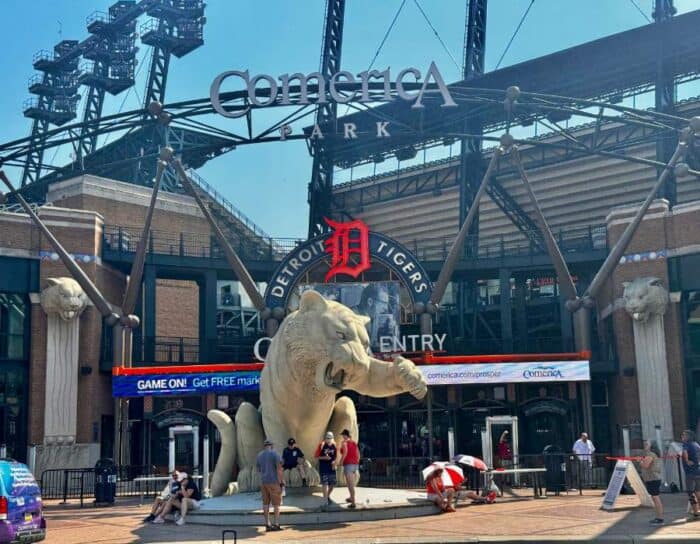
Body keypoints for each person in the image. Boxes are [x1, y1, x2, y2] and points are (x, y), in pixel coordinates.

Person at [256, 438, 284, 532]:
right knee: (276, 504)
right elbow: (279, 469)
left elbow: (258, 470)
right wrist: (281, 482)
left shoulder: (259, 455)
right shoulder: (275, 454)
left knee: (265, 504)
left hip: (264, 482)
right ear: (271, 446)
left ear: (264, 446)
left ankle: (267, 524)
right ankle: (276, 524)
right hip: (274, 482)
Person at [639, 440, 664, 525]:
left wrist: (640, 461)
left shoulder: (650, 454)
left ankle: (659, 518)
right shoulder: (651, 454)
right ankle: (658, 517)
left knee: (656, 498)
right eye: (645, 444)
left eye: (647, 444)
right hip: (653, 479)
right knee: (655, 498)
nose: (645, 445)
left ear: (651, 446)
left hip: (653, 479)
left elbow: (645, 465)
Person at [315, 431, 337, 509]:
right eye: (327, 438)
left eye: (330, 438)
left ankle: (327, 496)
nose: (329, 440)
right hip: (324, 467)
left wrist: (334, 462)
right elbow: (316, 456)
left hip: (331, 467)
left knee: (333, 483)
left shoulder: (334, 445)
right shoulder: (322, 445)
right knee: (325, 483)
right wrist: (325, 458)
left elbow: (334, 456)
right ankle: (325, 501)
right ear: (325, 438)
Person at [681, 429, 700, 520]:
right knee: (698, 492)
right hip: (698, 471)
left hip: (690, 473)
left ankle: (696, 512)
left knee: (690, 493)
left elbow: (685, 452)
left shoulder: (686, 444)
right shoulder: (696, 444)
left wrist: (687, 460)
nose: (682, 437)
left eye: (684, 435)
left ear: (688, 436)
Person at [338, 429, 360, 508]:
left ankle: (353, 503)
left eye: (343, 435)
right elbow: (358, 453)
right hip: (355, 465)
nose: (342, 436)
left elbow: (345, 453)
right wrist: (357, 462)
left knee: (350, 484)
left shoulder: (344, 443)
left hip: (348, 464)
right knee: (350, 483)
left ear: (345, 435)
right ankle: (351, 498)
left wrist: (340, 462)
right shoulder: (354, 443)